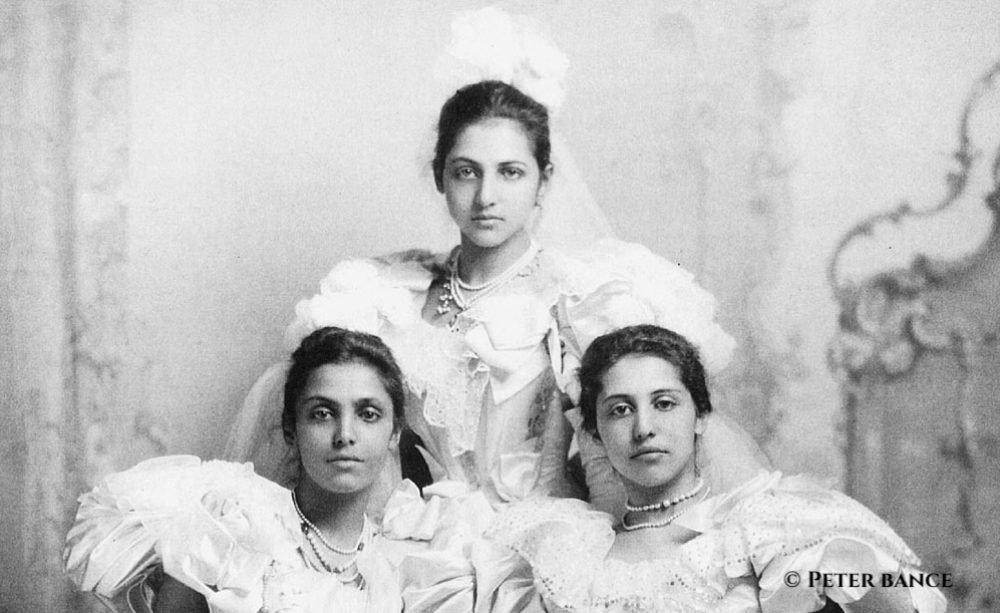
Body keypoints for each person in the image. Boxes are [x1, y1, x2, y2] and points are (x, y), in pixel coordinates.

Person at [226, 12, 765, 517]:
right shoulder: (387, 300)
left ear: (543, 182)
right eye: (467, 171)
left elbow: (647, 457)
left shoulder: (585, 301)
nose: (486, 196)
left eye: (510, 172)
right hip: (418, 535)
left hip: (543, 531)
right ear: (440, 177)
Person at [485, 325, 948, 613]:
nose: (644, 428)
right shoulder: (570, 558)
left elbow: (901, 603)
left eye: (665, 403)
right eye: (620, 410)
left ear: (701, 417)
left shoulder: (764, 531)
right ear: (595, 431)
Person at [64, 327, 412, 613]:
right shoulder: (230, 528)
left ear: (395, 432)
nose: (345, 435)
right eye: (322, 413)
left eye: (368, 414)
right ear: (291, 429)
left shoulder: (405, 563)